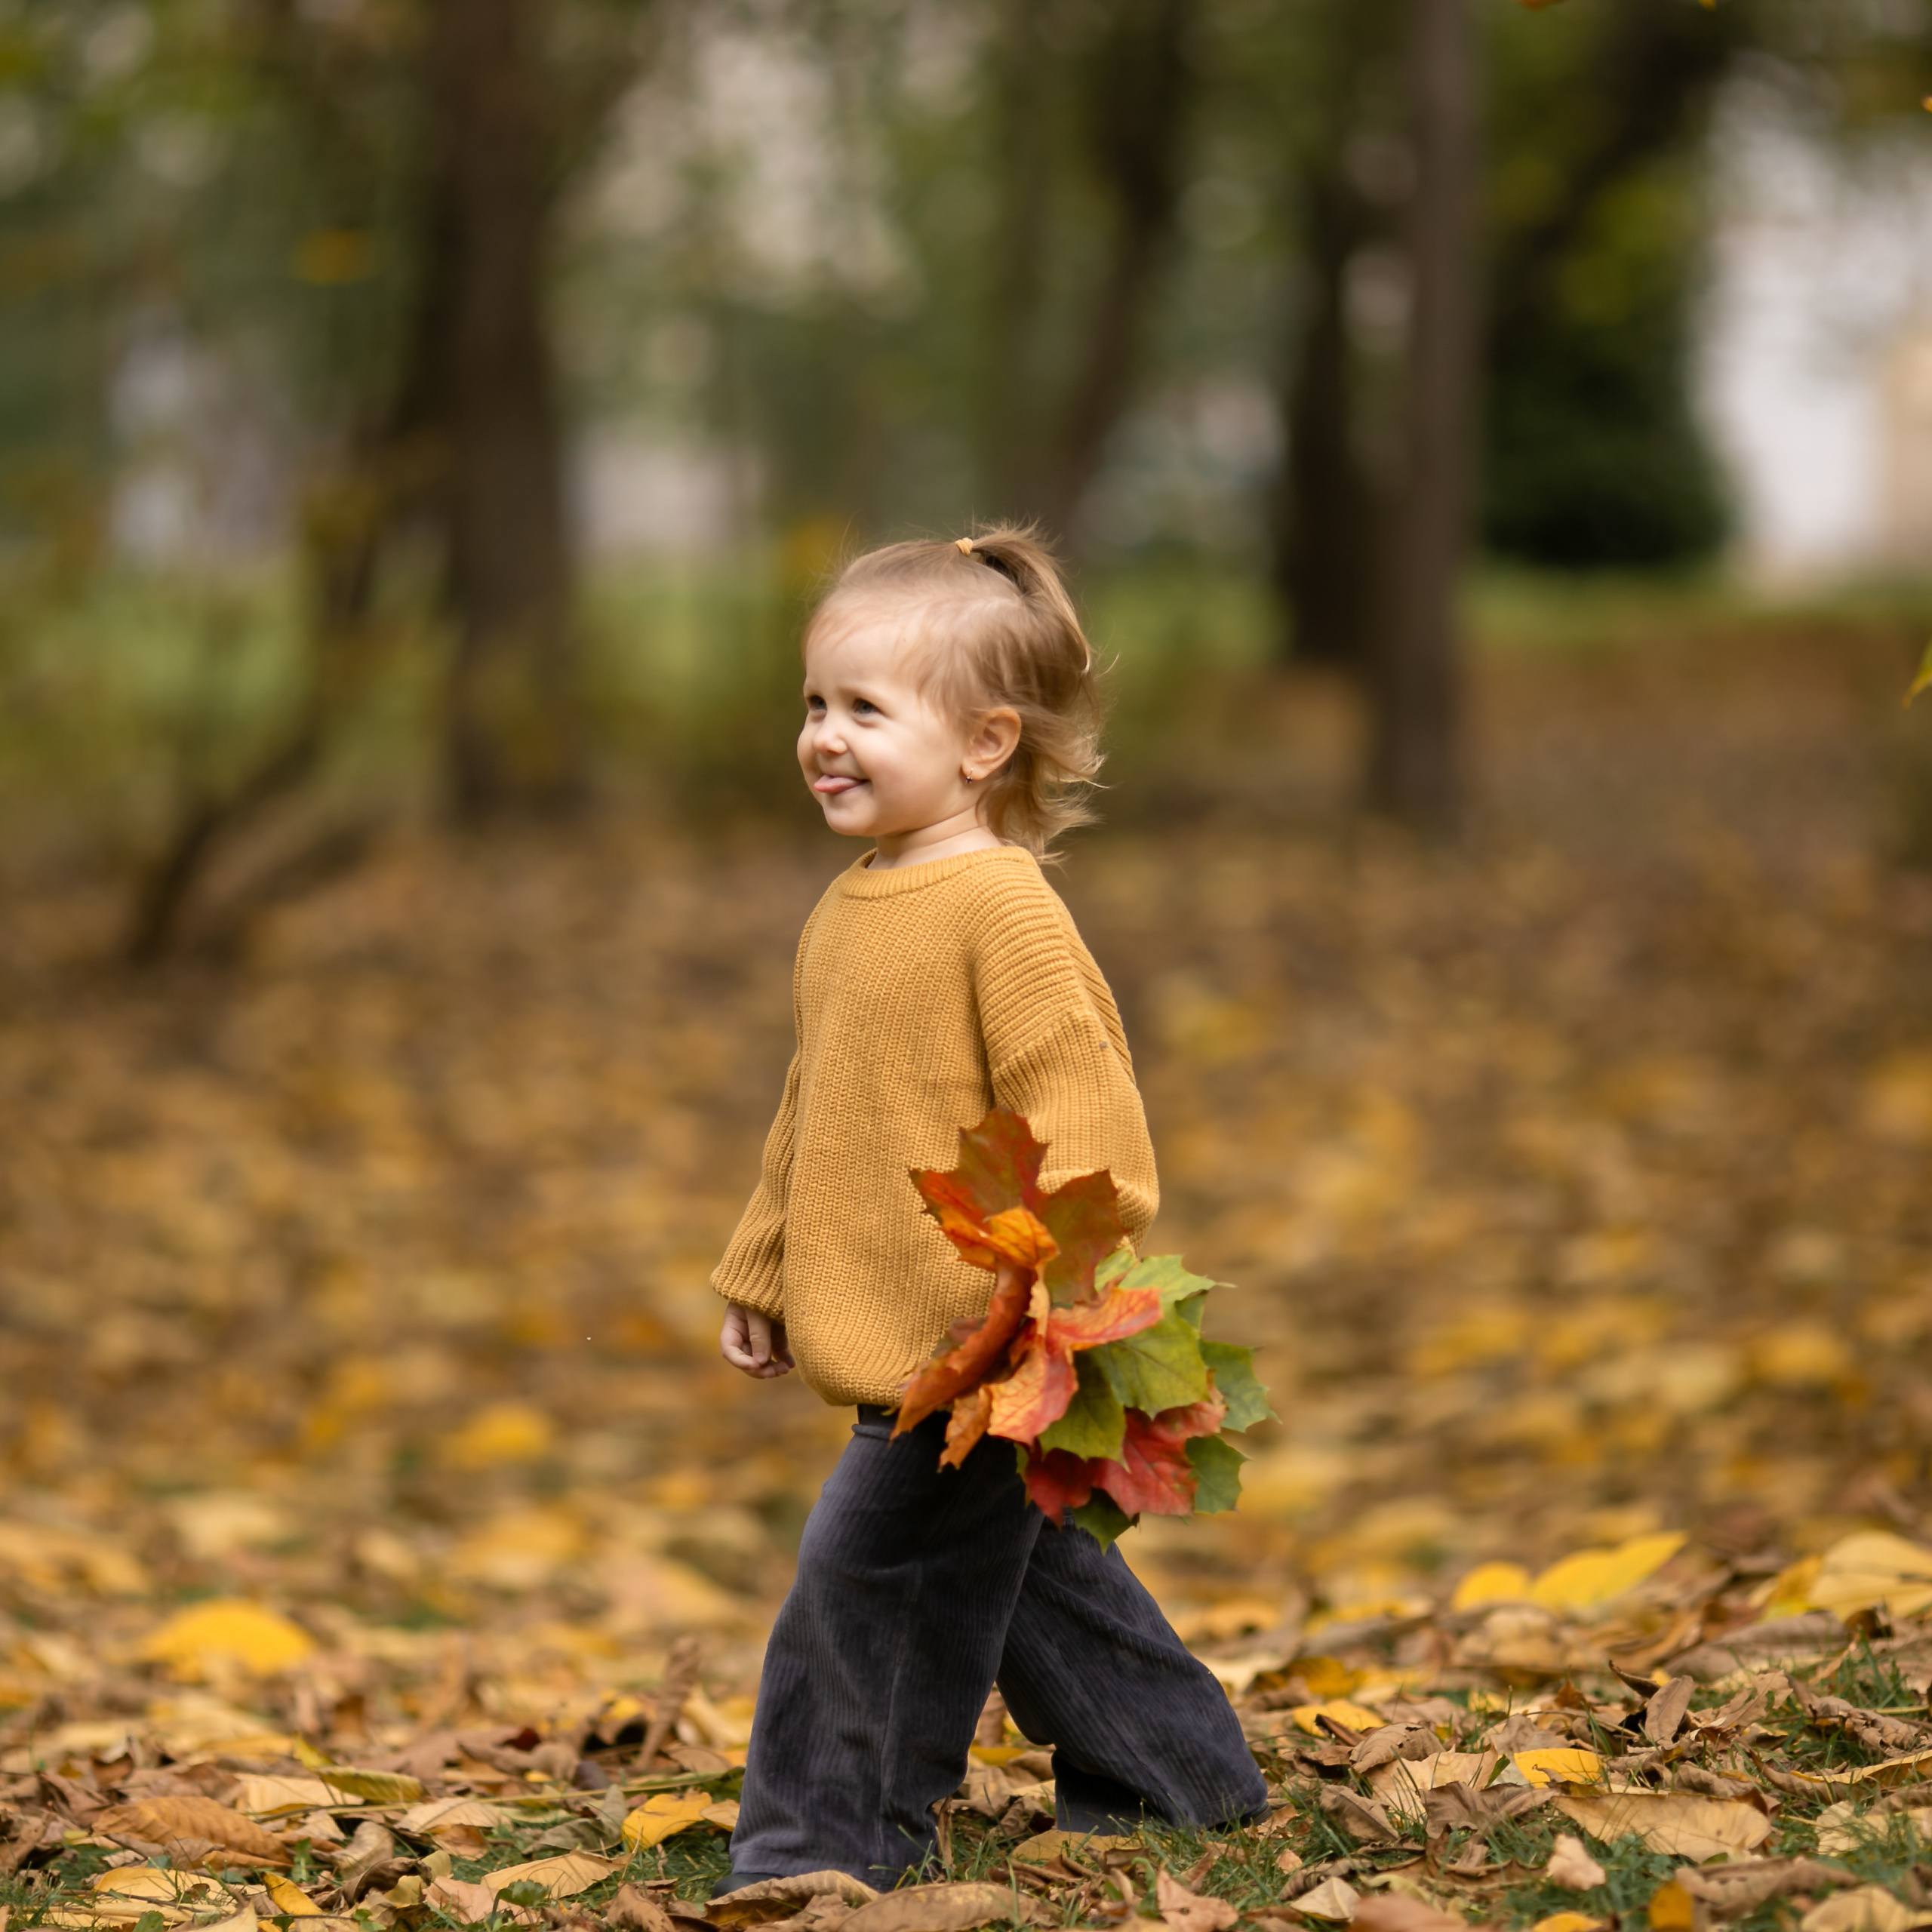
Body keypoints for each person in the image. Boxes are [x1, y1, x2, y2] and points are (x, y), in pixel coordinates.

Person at [710, 527, 1266, 1890]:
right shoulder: (851, 907)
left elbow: (1089, 1110)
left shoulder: (1000, 910)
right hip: (896, 1333)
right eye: (814, 705)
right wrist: (767, 1267)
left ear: (982, 742)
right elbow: (817, 1105)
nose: (823, 738)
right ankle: (1178, 1779)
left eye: (863, 711)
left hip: (982, 1343)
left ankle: (818, 1854)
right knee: (1033, 1581)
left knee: (868, 1580)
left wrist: (1033, 1293)